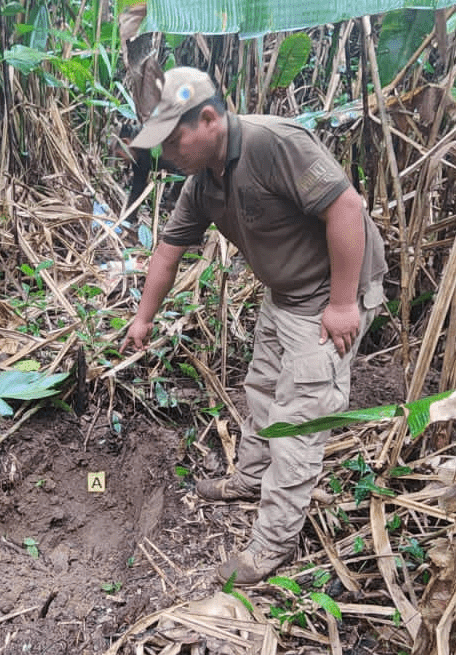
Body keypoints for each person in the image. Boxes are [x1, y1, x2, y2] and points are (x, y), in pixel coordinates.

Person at [119, 67, 388, 585]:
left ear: (209, 119)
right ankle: (249, 478)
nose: (168, 156)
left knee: (298, 420)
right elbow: (168, 250)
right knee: (263, 385)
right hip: (285, 294)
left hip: (330, 296)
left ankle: (271, 547)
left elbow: (346, 207)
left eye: (174, 141)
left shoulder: (272, 143)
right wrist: (143, 317)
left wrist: (341, 304)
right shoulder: (201, 184)